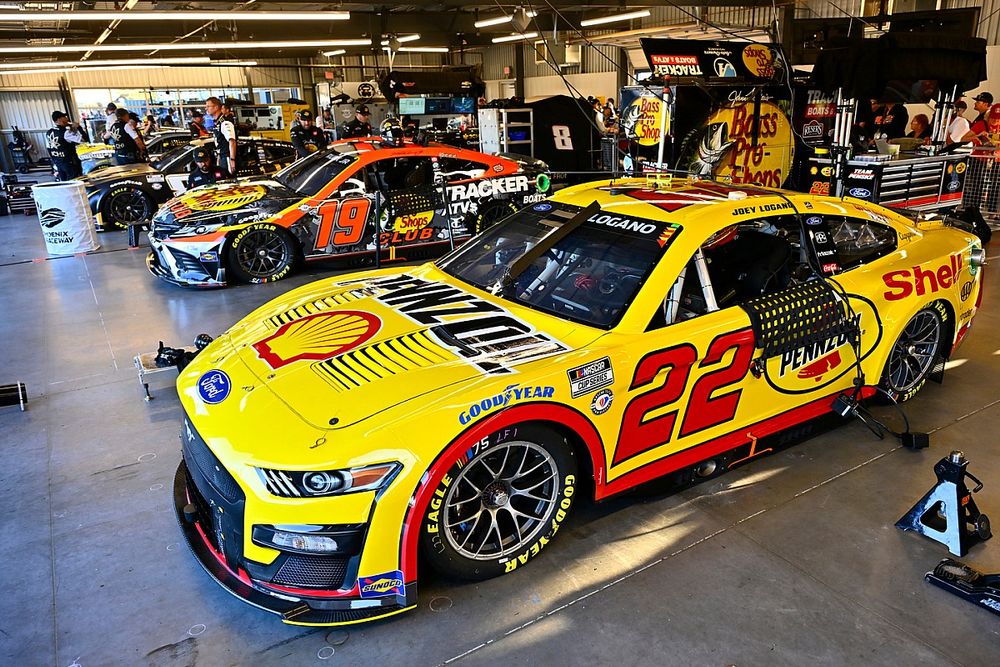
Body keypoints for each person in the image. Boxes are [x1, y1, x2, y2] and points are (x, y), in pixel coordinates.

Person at [46, 110, 84, 180]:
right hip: (69, 162)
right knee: (74, 182)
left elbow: (48, 148)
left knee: (64, 182)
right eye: (64, 117)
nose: (67, 119)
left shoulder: (49, 132)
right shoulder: (65, 133)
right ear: (59, 119)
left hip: (58, 163)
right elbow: (83, 139)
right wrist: (78, 127)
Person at [205, 96, 238, 173]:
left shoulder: (225, 122)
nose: (206, 109)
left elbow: (232, 141)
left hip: (227, 157)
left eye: (208, 106)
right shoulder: (217, 122)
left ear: (216, 107)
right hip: (221, 156)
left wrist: (232, 159)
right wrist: (219, 157)